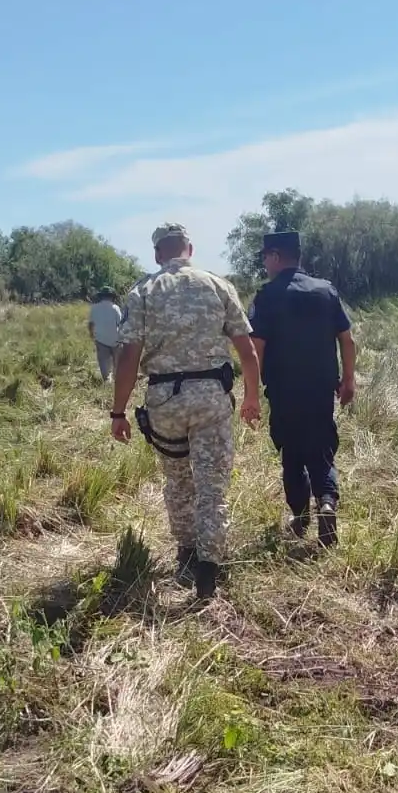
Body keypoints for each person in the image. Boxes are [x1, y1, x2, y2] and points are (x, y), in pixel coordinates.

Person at [110, 222, 260, 601]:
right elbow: (247, 351)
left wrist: (118, 411)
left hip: (165, 403)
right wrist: (251, 398)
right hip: (211, 398)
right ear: (189, 250)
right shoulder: (219, 286)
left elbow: (129, 357)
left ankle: (187, 553)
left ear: (157, 253)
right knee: (212, 486)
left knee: (178, 481)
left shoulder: (143, 291)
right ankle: (208, 569)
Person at [247, 230, 356, 547]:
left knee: (292, 454)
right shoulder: (326, 290)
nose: (265, 263)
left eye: (265, 257)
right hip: (321, 389)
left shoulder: (267, 296)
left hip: (284, 391)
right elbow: (347, 339)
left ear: (275, 256)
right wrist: (349, 379)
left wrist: (251, 394)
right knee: (321, 450)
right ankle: (326, 502)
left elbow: (256, 348)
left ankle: (300, 515)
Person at [87, 287, 123, 382]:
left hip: (101, 339)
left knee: (103, 362)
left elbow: (91, 324)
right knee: (117, 362)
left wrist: (91, 334)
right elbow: (120, 324)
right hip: (115, 340)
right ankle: (117, 379)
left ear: (101, 296)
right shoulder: (115, 308)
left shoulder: (94, 308)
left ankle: (107, 380)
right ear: (112, 297)